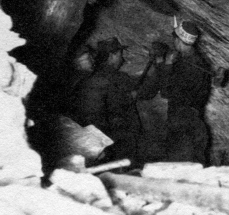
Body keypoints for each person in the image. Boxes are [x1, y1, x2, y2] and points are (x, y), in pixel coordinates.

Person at [138, 20, 212, 165]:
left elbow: (166, 92)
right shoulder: (200, 62)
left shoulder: (185, 65)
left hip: (182, 123)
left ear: (178, 40)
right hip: (196, 119)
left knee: (179, 165)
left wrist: (167, 65)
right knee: (197, 164)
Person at [66, 37, 139, 161]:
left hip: (104, 138)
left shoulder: (86, 79)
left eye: (90, 57)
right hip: (113, 139)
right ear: (112, 55)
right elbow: (93, 114)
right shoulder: (103, 79)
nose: (91, 61)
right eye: (86, 58)